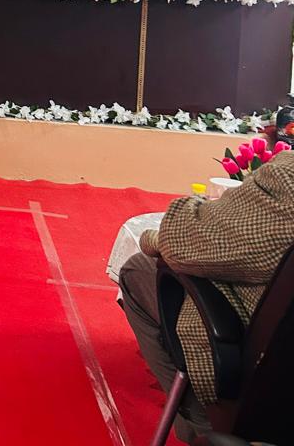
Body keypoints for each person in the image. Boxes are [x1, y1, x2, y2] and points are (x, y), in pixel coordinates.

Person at [117, 148, 294, 445]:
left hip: (267, 382)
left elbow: (182, 241)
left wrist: (161, 234)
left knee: (139, 269)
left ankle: (208, 425)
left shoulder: (287, 181)